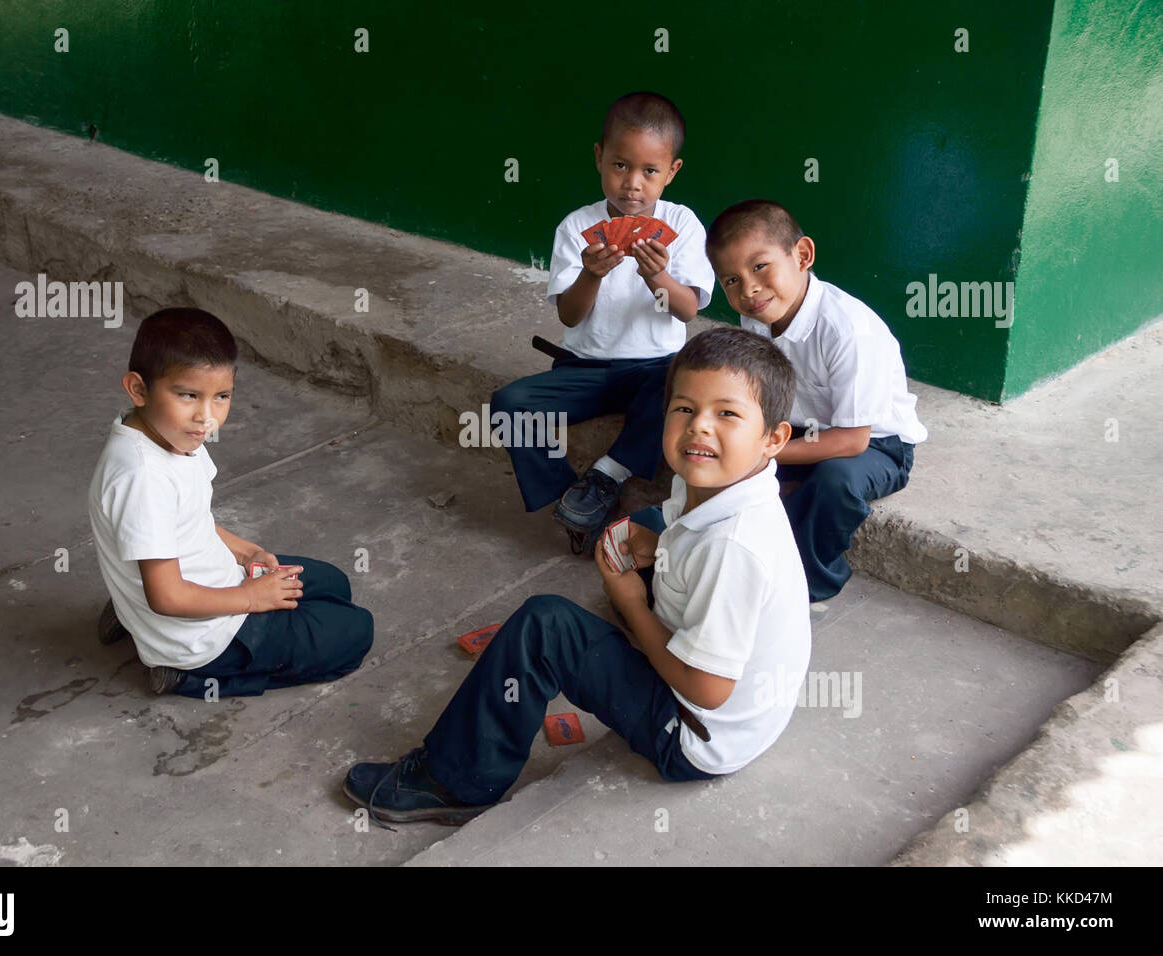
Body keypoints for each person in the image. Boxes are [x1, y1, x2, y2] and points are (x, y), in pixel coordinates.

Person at [343, 326, 810, 827]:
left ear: (774, 438)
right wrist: (659, 547)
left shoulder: (733, 546)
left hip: (695, 734)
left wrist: (630, 601)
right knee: (642, 536)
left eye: (727, 414)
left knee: (545, 627)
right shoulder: (720, 485)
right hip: (741, 721)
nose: (699, 427)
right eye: (684, 409)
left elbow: (707, 689)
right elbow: (692, 544)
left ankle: (455, 783)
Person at [87, 307, 373, 697]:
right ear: (138, 389)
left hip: (215, 585)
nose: (206, 418)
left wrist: (246, 552)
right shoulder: (143, 477)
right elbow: (167, 596)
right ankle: (184, 676)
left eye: (221, 396)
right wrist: (251, 598)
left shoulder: (166, 433)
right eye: (188, 395)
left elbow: (191, 520)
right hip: (203, 638)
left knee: (334, 584)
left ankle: (130, 614)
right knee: (357, 632)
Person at [491, 91, 715, 550]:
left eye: (649, 171)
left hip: (657, 369)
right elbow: (570, 314)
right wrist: (591, 274)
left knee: (681, 392)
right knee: (508, 404)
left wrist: (658, 276)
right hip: (583, 368)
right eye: (620, 166)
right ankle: (569, 504)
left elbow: (688, 310)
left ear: (671, 172)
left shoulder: (685, 225)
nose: (632, 183)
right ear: (599, 158)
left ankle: (606, 474)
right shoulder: (577, 228)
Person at [706, 200, 928, 602]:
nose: (749, 289)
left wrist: (762, 455)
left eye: (759, 267)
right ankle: (726, 557)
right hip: (803, 430)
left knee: (834, 481)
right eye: (730, 281)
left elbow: (852, 441)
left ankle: (807, 582)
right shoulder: (758, 314)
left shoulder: (847, 330)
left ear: (802, 255)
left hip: (874, 445)